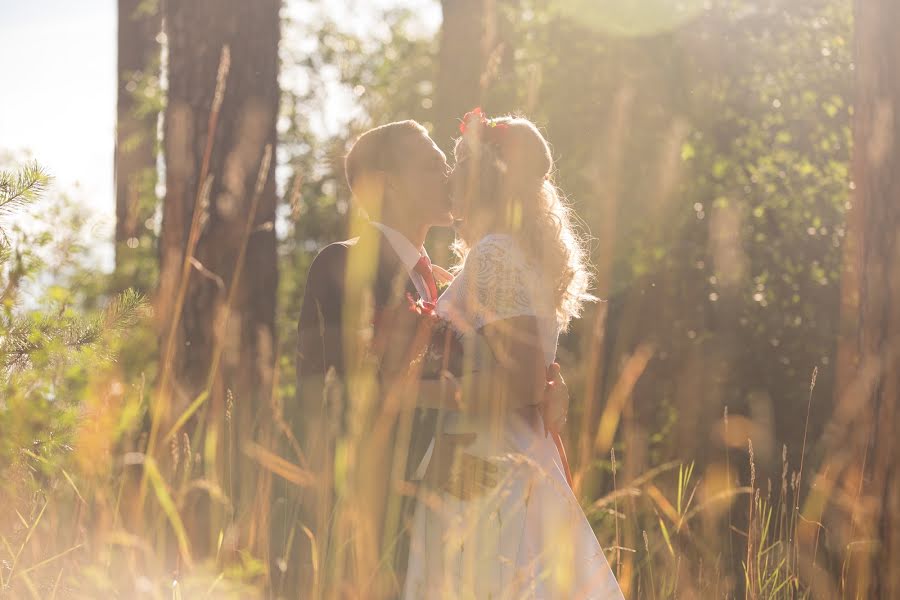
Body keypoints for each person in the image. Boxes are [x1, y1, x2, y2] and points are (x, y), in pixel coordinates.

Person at [289, 120, 570, 597]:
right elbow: (335, 400)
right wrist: (424, 464)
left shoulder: (438, 282)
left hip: (448, 515)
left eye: (448, 165)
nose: (449, 176)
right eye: (432, 166)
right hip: (370, 520)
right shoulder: (343, 264)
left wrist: (541, 390)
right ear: (389, 183)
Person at [402, 110, 624, 599]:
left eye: (458, 163)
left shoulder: (495, 255)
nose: (448, 177)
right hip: (502, 459)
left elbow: (521, 383)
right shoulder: (504, 254)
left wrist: (408, 392)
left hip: (486, 468)